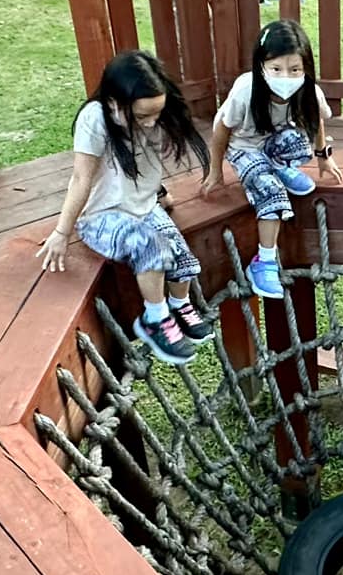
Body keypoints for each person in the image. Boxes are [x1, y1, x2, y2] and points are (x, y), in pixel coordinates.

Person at [38, 50, 212, 366]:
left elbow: (141, 161)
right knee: (151, 247)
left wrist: (159, 192)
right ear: (115, 103)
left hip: (144, 206)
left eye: (156, 113)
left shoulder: (155, 115)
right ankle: (155, 318)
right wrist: (62, 232)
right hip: (103, 217)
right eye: (143, 115)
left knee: (182, 256)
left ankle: (180, 304)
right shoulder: (95, 119)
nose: (151, 121)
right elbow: (81, 178)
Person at [200, 20, 343, 300]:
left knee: (297, 143)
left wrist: (323, 156)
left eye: (294, 69)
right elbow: (221, 130)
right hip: (243, 146)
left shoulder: (308, 90)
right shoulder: (246, 90)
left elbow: (315, 120)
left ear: (306, 68)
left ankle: (278, 166)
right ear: (261, 66)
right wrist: (216, 170)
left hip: (272, 141)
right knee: (271, 193)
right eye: (276, 69)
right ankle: (263, 262)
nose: (285, 77)